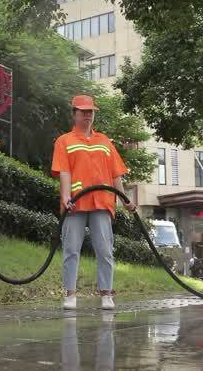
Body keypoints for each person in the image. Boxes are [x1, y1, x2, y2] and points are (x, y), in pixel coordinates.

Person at [52, 94, 133, 311]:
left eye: (91, 112)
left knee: (105, 250)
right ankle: (70, 294)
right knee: (71, 250)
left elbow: (116, 174)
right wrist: (66, 197)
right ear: (74, 114)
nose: (88, 115)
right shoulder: (64, 141)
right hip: (76, 205)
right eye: (83, 112)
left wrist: (125, 199)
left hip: (101, 203)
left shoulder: (105, 141)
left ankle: (106, 294)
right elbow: (64, 172)